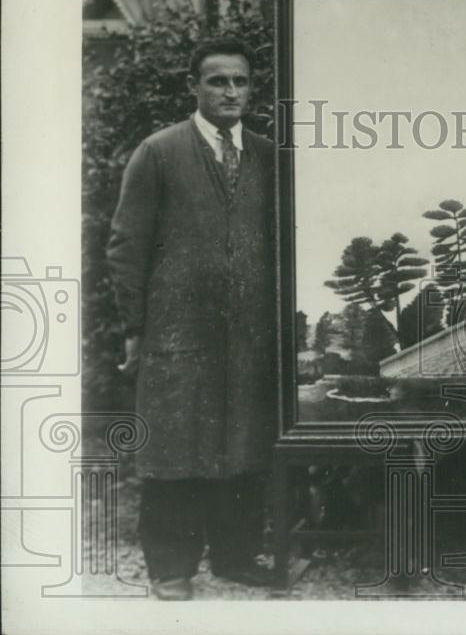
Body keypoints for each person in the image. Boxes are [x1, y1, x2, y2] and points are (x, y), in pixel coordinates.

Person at [106, 39, 276, 600]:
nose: (231, 92)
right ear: (194, 87)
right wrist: (134, 328)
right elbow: (126, 245)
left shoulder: (267, 154)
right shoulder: (158, 151)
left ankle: (235, 556)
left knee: (243, 443)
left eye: (240, 82)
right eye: (218, 81)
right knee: (175, 449)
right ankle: (171, 570)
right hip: (177, 331)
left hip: (247, 334)